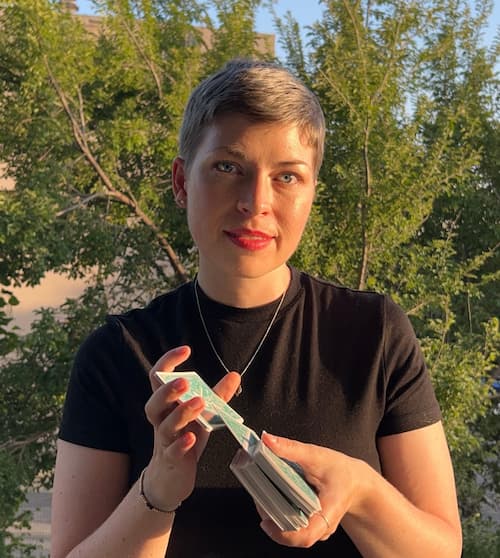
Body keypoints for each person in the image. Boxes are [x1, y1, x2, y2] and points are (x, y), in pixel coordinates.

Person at [51, 59, 462, 558]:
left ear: (311, 194)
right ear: (182, 182)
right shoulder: (116, 355)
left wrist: (360, 490)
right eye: (228, 167)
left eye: (287, 176)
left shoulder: (374, 334)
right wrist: (156, 491)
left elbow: (442, 548)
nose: (256, 201)